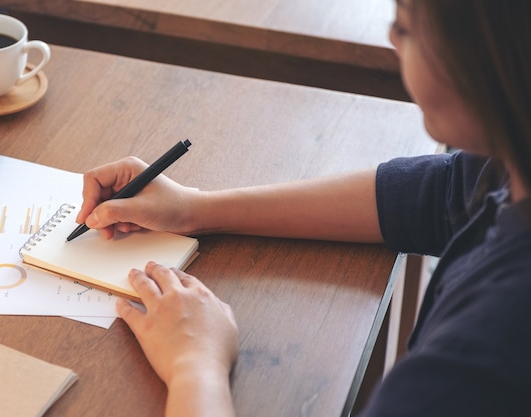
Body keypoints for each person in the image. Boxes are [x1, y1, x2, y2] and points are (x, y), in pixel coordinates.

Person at [75, 0, 531, 415]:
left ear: (492, 53)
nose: (392, 39)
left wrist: (196, 367)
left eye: (406, 26)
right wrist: (198, 208)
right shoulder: (510, 170)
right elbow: (435, 195)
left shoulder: (479, 359)